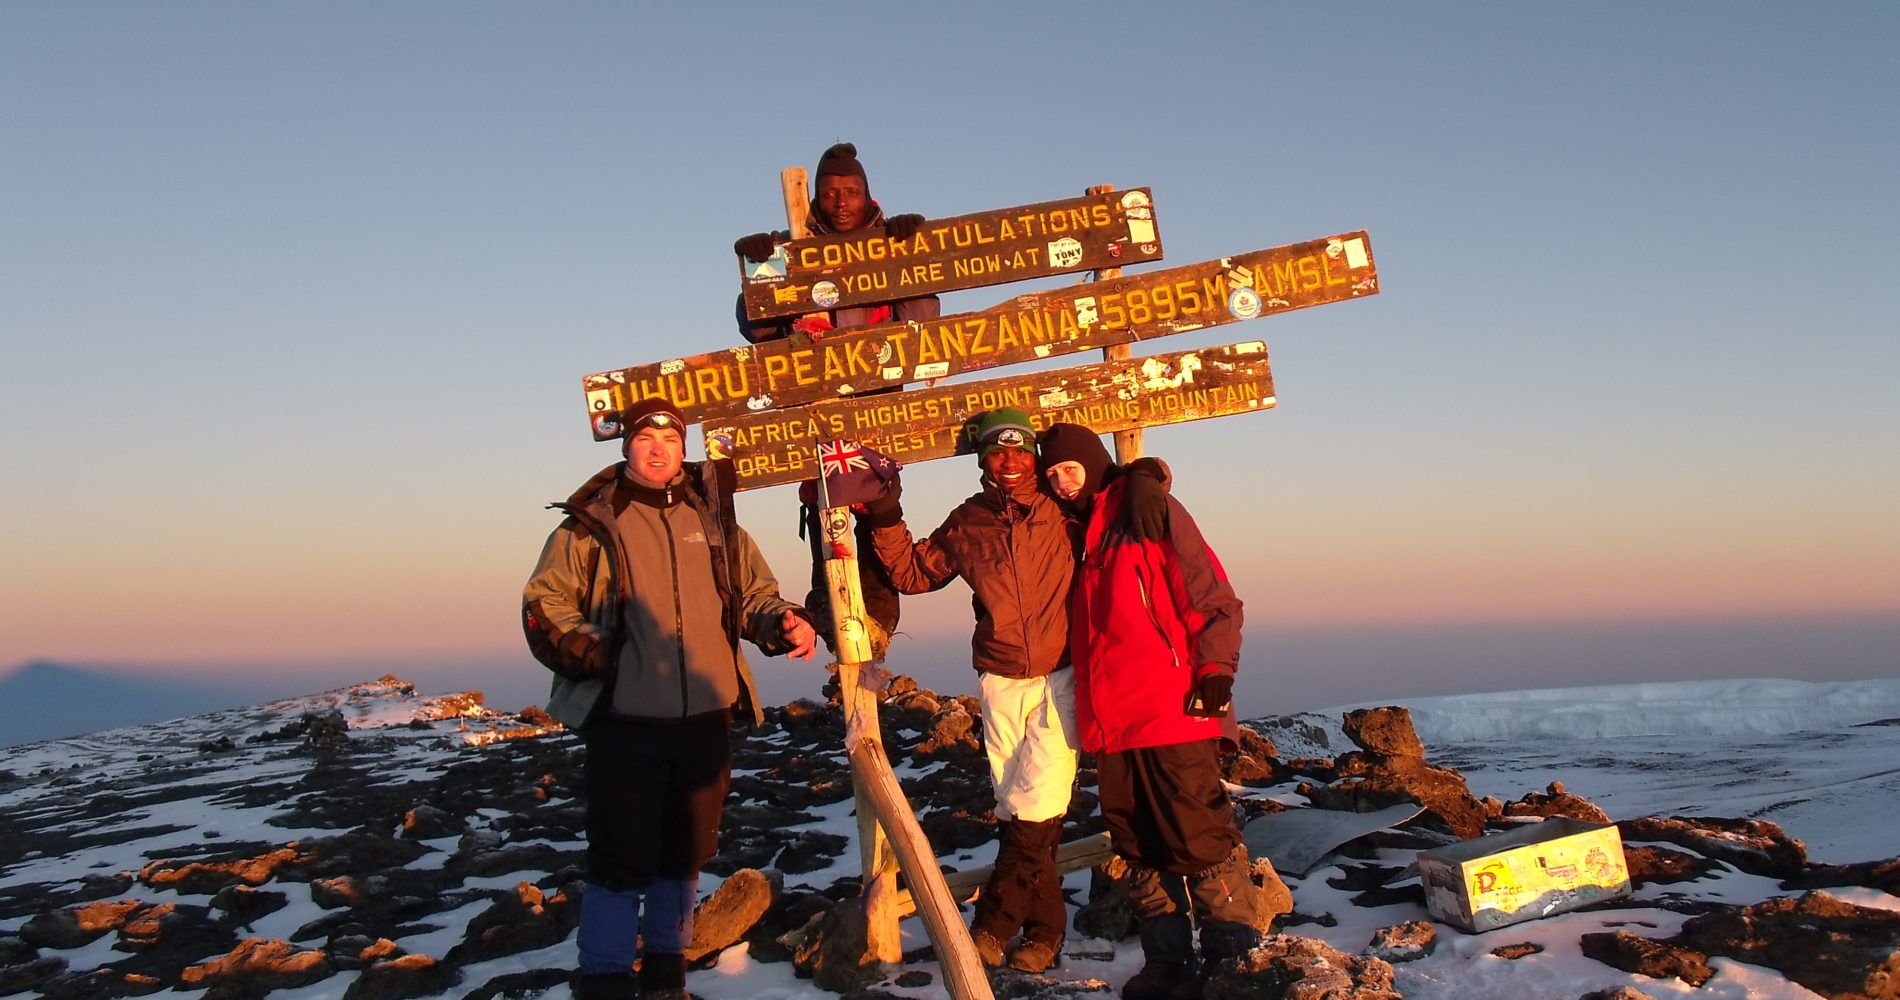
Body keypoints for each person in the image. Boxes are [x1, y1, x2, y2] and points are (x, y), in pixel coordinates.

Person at [521, 397, 818, 1000]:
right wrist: (602, 655)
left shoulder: (714, 522)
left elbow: (754, 596)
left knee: (686, 855)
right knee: (618, 856)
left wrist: (784, 623)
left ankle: (665, 974)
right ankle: (603, 980)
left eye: (670, 438)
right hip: (625, 720)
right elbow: (543, 605)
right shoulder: (589, 524)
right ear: (626, 446)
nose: (658, 448)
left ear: (684, 448)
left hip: (705, 717)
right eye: (645, 437)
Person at [863, 409, 1170, 973]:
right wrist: (884, 510)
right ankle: (1046, 933)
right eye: (997, 452)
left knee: (1038, 802)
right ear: (984, 460)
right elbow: (912, 572)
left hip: (1066, 673)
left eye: (1020, 451)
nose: (1010, 462)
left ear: (1034, 455)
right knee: (1018, 809)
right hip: (1001, 678)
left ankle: (992, 926)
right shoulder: (969, 520)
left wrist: (1149, 472)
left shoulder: (1063, 509)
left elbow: (1121, 487)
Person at [1035, 423, 1260, 1000]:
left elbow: (1211, 594)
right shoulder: (1077, 531)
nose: (1061, 482)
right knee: (1135, 844)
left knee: (1198, 834)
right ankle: (1168, 963)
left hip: (1169, 707)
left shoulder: (1147, 508)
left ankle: (1231, 958)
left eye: (1069, 469)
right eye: (1052, 473)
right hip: (1111, 721)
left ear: (1091, 462)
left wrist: (1214, 670)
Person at [732, 141, 943, 660]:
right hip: (817, 419)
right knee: (827, 516)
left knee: (875, 509)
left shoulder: (891, 242)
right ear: (817, 199)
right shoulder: (792, 249)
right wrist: (760, 267)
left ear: (868, 193)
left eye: (851, 191)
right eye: (830, 193)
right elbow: (758, 329)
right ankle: (836, 624)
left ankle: (875, 626)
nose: (841, 201)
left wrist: (909, 251)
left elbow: (925, 323)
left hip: (878, 415)